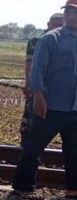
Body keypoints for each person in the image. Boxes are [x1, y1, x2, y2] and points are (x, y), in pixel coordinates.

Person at [13, 0, 77, 198]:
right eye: (68, 11)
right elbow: (37, 71)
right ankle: (23, 187)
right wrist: (39, 98)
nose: (70, 15)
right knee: (34, 147)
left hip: (75, 108)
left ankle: (73, 188)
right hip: (51, 106)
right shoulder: (50, 38)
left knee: (74, 151)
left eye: (75, 12)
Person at [20, 13, 63, 146]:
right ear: (48, 25)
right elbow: (30, 64)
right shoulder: (36, 41)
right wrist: (28, 84)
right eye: (55, 24)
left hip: (59, 91)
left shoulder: (68, 40)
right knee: (31, 120)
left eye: (60, 25)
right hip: (38, 87)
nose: (57, 28)